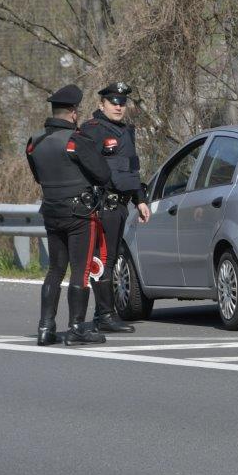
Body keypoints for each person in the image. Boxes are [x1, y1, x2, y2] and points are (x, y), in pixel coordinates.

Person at [24, 85, 111, 346]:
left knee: (55, 269)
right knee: (81, 270)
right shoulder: (76, 140)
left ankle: (45, 328)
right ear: (73, 113)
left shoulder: (34, 142)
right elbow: (103, 174)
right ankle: (76, 328)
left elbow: (38, 176)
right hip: (78, 213)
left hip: (51, 211)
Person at [78, 82, 150, 333]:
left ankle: (104, 313)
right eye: (114, 102)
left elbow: (131, 170)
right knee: (104, 260)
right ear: (102, 104)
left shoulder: (126, 131)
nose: (119, 107)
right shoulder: (92, 130)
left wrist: (139, 199)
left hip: (121, 206)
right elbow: (84, 167)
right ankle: (104, 315)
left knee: (111, 259)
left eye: (122, 102)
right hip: (104, 206)